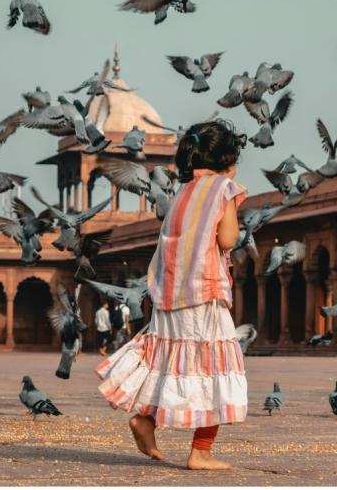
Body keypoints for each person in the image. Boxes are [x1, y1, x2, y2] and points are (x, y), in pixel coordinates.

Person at [97, 119, 248, 470]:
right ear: (229, 159)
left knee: (172, 366)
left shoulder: (180, 194)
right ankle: (201, 451)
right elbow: (227, 240)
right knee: (213, 370)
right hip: (203, 295)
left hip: (169, 296)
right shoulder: (224, 188)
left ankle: (146, 421)